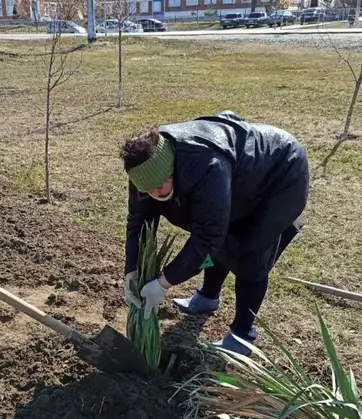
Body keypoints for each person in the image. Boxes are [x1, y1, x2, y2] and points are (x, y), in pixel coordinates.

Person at [121, 111, 309, 355]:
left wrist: (163, 283)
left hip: (279, 175)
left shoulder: (207, 166)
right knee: (221, 239)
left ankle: (241, 335)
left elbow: (207, 237)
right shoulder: (144, 170)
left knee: (250, 255)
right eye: (149, 190)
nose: (156, 193)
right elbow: (138, 221)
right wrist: (131, 271)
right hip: (236, 180)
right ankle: (208, 297)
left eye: (161, 186)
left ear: (173, 169)